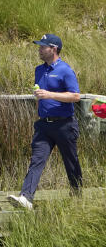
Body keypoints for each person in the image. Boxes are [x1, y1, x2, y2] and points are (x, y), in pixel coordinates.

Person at [8, 33, 82, 209]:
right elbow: (40, 96)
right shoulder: (39, 70)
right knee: (37, 159)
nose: (39, 49)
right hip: (43, 125)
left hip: (64, 124)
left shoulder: (65, 70)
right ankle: (26, 198)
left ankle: (78, 196)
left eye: (43, 46)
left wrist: (49, 95)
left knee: (71, 162)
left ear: (54, 49)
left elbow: (75, 96)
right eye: (39, 46)